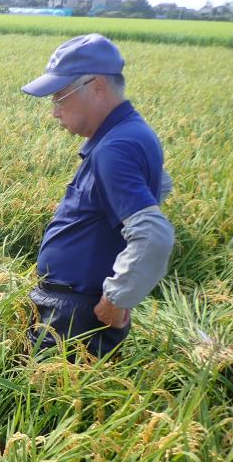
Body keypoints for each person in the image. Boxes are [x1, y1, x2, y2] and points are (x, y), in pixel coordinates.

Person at [21, 34, 175, 357]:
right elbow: (161, 185)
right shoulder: (133, 133)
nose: (54, 112)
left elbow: (154, 236)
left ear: (98, 87)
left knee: (37, 401)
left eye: (60, 97)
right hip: (75, 309)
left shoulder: (115, 148)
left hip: (73, 317)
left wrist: (116, 298)